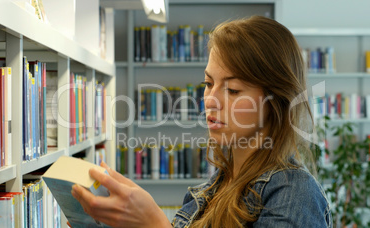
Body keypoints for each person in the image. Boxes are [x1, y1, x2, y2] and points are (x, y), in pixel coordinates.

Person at [71, 15, 332, 227]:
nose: (209, 100)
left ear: (275, 102)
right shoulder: (212, 188)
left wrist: (154, 224)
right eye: (208, 83)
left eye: (232, 90)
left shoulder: (295, 193)